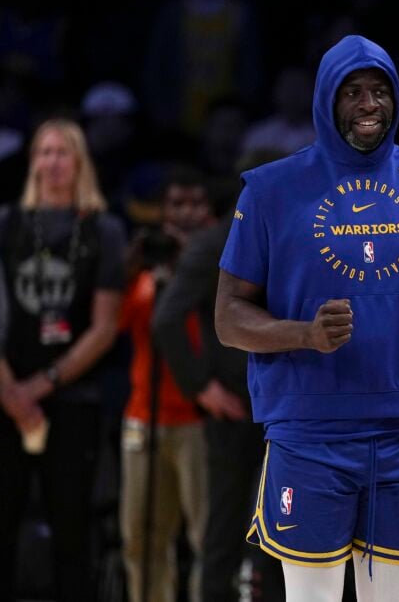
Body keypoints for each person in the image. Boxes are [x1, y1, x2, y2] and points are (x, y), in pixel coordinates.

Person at [214, 35, 399, 602]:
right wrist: (303, 335)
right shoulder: (270, 190)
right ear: (325, 99)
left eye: (380, 91)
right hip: (309, 434)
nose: (369, 104)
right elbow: (228, 317)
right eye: (352, 92)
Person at [0, 118, 126, 601]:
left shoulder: (104, 230)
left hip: (74, 397)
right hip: (6, 397)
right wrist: (11, 393)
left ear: (80, 163)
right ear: (33, 162)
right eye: (43, 152)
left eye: (62, 152)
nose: (52, 162)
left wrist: (37, 387)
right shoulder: (7, 223)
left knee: (72, 532)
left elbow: (104, 328)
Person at [152, 157, 286, 602]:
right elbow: (167, 319)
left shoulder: (290, 233)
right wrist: (201, 387)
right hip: (244, 403)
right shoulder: (216, 242)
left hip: (278, 403)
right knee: (234, 527)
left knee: (251, 526)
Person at [119, 167, 214, 602]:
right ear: (163, 212)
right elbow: (114, 328)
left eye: (196, 204)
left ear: (209, 212)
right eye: (177, 204)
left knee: (207, 538)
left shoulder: (219, 271)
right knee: (141, 539)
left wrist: (188, 267)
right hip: (145, 416)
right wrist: (130, 267)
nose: (186, 213)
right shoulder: (145, 275)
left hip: (201, 421)